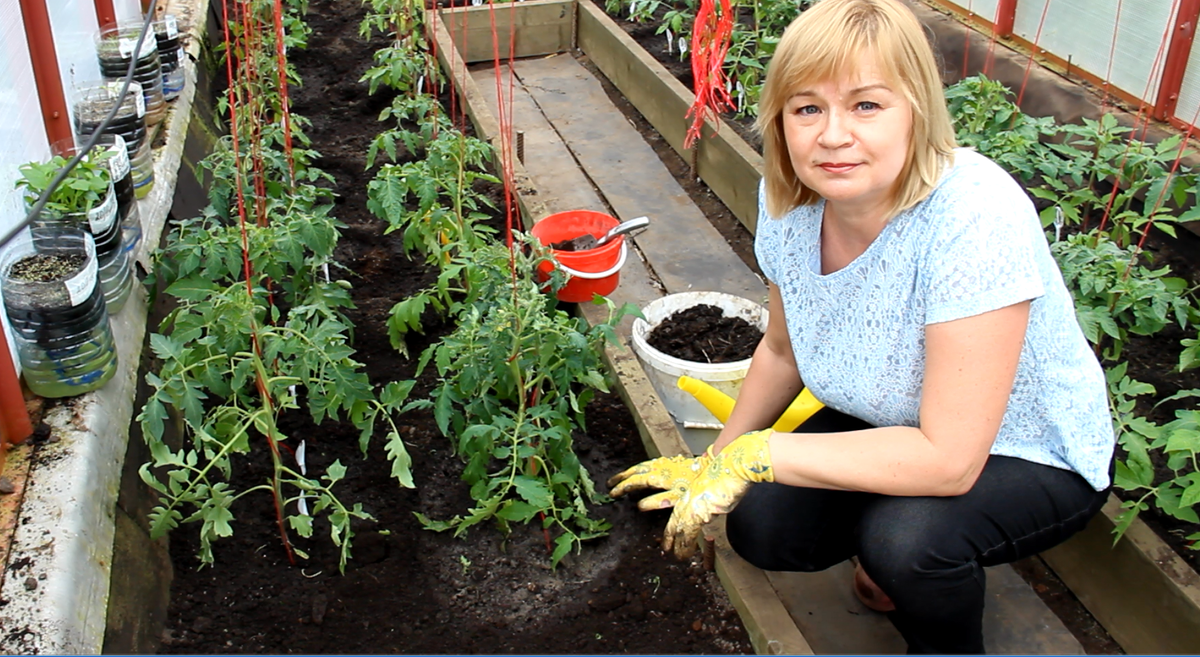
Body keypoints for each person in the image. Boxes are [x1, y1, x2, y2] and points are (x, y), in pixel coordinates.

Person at [608, 0, 1116, 653]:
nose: (833, 134)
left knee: (907, 541)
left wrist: (761, 453)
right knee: (763, 526)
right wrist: (715, 462)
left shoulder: (972, 216)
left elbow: (952, 460)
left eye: (867, 106)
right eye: (807, 107)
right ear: (782, 120)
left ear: (917, 112)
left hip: (1025, 449)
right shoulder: (789, 198)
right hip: (897, 417)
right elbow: (784, 349)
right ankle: (890, 553)